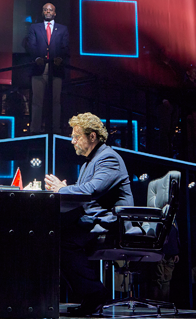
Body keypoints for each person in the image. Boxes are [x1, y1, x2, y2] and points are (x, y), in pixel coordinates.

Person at [45, 112, 133, 316]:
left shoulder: (108, 158)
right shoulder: (89, 162)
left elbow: (91, 190)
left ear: (92, 136)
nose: (72, 141)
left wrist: (62, 189)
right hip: (95, 220)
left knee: (61, 241)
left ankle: (95, 294)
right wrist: (65, 189)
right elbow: (85, 191)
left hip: (112, 223)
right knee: (54, 234)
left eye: (76, 136)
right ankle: (90, 295)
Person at [26, 3, 69, 134]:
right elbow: (31, 45)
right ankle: (35, 130)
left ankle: (56, 129)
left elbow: (65, 47)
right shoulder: (34, 27)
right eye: (45, 9)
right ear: (42, 12)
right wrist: (37, 58)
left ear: (55, 13)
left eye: (50, 10)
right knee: (37, 101)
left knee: (56, 101)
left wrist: (60, 59)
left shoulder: (62, 29)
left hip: (56, 68)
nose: (48, 11)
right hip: (39, 68)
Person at [151, 219, 181, 302]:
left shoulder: (174, 221)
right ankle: (156, 302)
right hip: (160, 253)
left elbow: (175, 237)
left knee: (167, 279)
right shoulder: (160, 220)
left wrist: (176, 252)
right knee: (158, 279)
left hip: (170, 254)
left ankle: (164, 303)